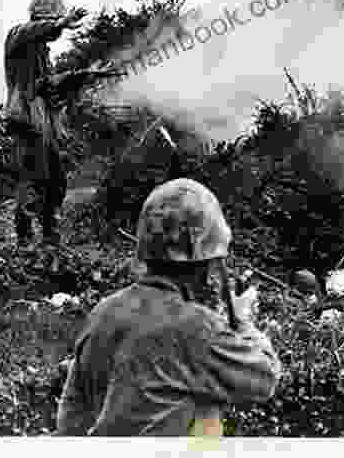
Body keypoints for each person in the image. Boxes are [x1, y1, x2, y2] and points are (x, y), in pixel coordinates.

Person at [55, 178, 281, 436]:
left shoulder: (102, 312)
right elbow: (265, 379)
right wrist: (242, 320)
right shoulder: (198, 327)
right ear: (204, 260)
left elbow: (70, 419)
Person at [3, 0, 88, 244]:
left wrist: (83, 75)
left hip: (44, 122)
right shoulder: (18, 36)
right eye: (55, 22)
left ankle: (51, 235)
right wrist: (60, 23)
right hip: (27, 121)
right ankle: (25, 241)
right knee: (32, 179)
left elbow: (48, 83)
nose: (58, 31)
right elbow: (34, 30)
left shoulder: (40, 51)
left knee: (55, 178)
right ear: (41, 18)